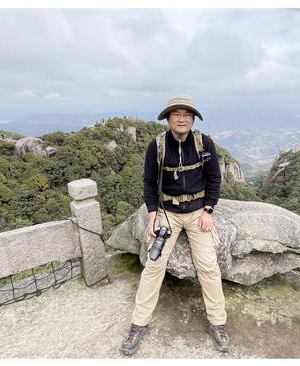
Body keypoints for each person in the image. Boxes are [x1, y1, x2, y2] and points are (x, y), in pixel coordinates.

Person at [120, 95, 230, 355]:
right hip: (167, 213)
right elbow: (148, 182)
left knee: (208, 267)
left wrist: (208, 209)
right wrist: (152, 214)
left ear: (193, 119)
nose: (182, 118)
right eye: (176, 114)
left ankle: (218, 323)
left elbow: (214, 178)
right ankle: (139, 323)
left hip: (197, 213)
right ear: (168, 118)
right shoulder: (157, 146)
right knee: (154, 265)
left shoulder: (204, 143)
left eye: (187, 114)